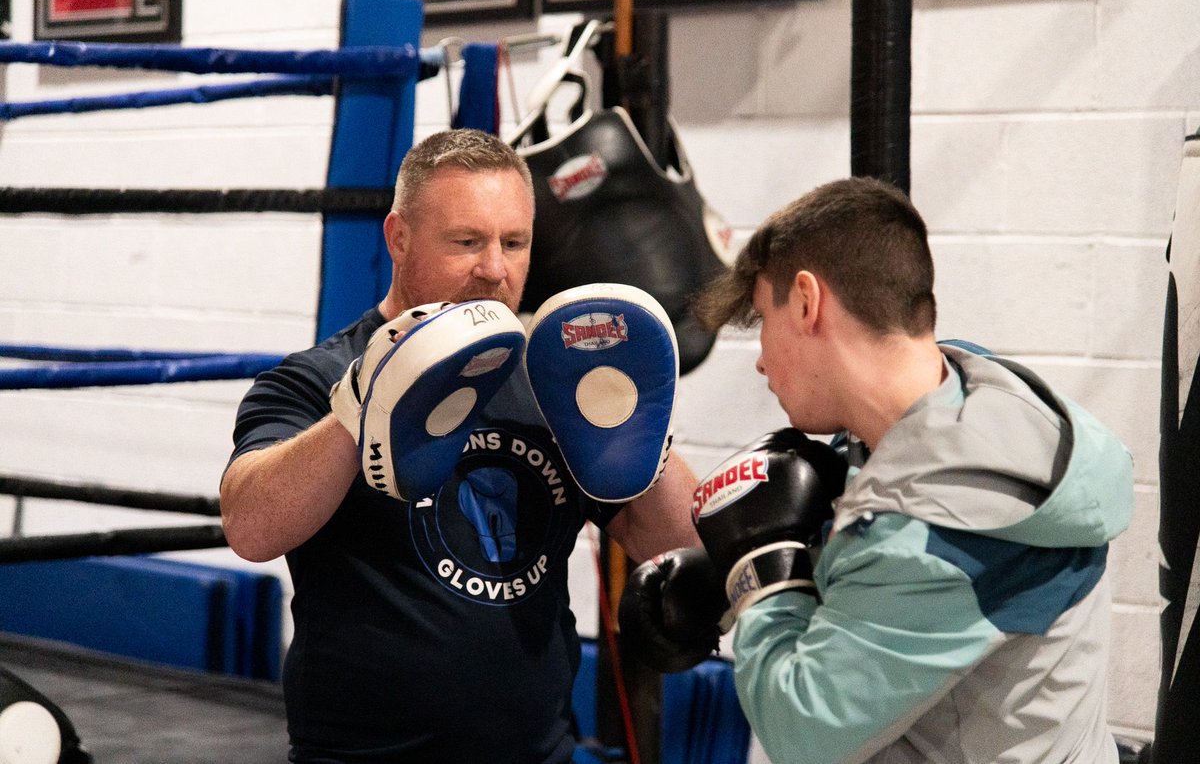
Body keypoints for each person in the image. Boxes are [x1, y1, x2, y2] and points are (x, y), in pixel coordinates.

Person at [219, 128, 700, 764]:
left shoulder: (549, 377)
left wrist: (641, 433)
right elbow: (250, 526)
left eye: (514, 242)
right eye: (467, 242)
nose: (494, 268)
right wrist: (357, 410)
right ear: (398, 238)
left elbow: (676, 545)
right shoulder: (316, 378)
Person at [628, 176, 1135, 763]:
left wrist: (761, 579)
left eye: (764, 320)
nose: (763, 362)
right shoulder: (978, 401)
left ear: (806, 301)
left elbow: (802, 732)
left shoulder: (934, 524)